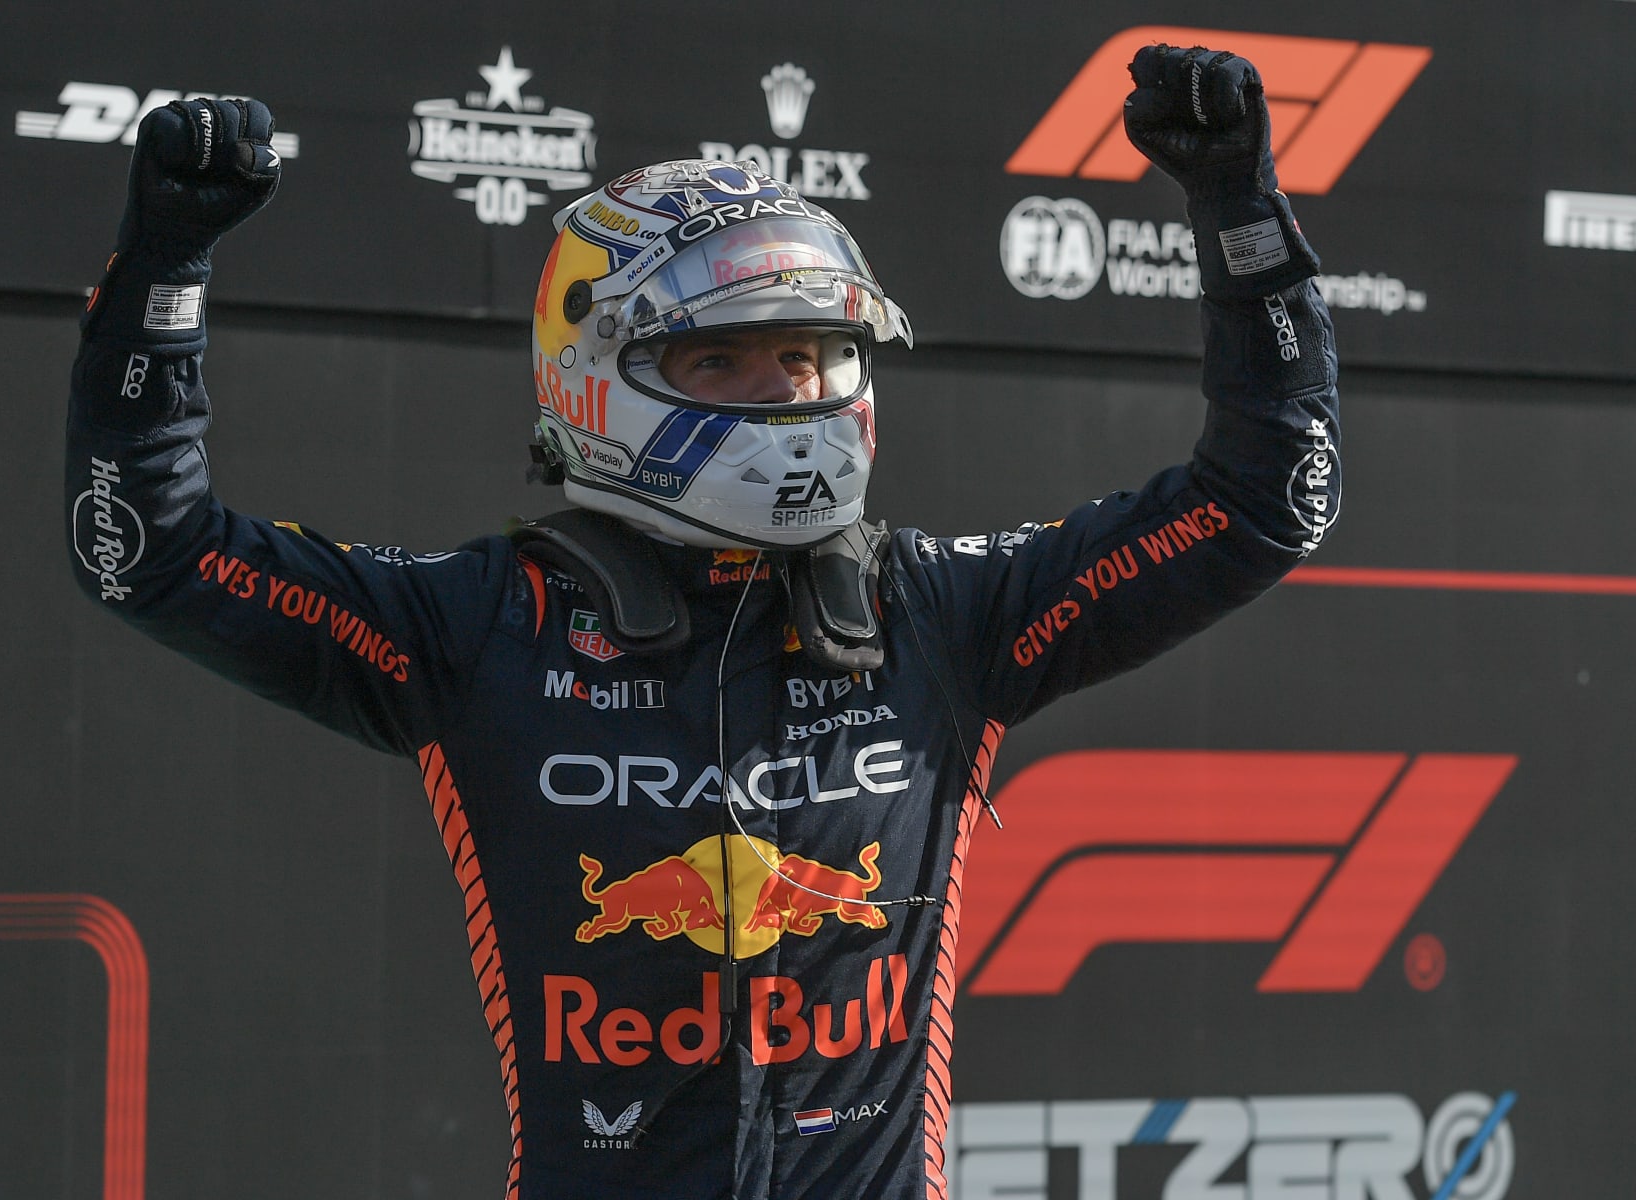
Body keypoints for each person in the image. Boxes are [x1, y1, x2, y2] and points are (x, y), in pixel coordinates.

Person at [65, 46, 1339, 1200]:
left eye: (810, 354)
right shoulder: (483, 624)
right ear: (595, 379)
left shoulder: (935, 611)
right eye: (722, 359)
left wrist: (1242, 219)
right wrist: (162, 272)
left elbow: (1268, 500)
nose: (786, 389)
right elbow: (145, 551)